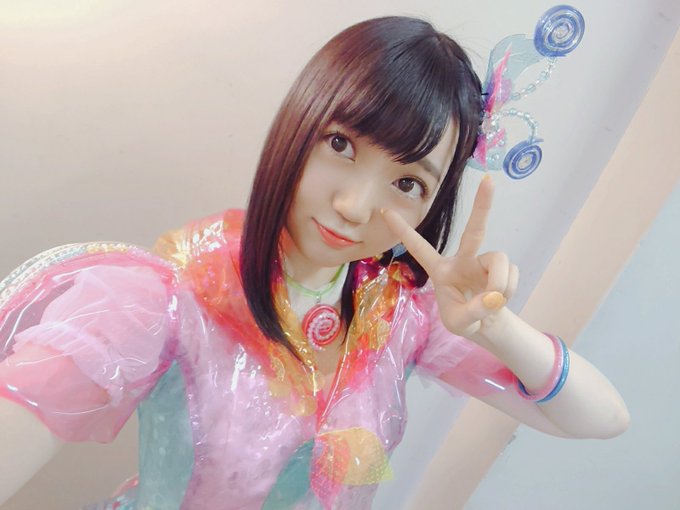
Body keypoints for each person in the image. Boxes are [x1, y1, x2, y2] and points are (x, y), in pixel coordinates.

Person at [0, 16, 628, 510]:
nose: (354, 206)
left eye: (407, 183)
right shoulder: (169, 298)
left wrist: (496, 328)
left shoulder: (400, 318)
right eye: (340, 144)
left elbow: (603, 419)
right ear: (298, 122)